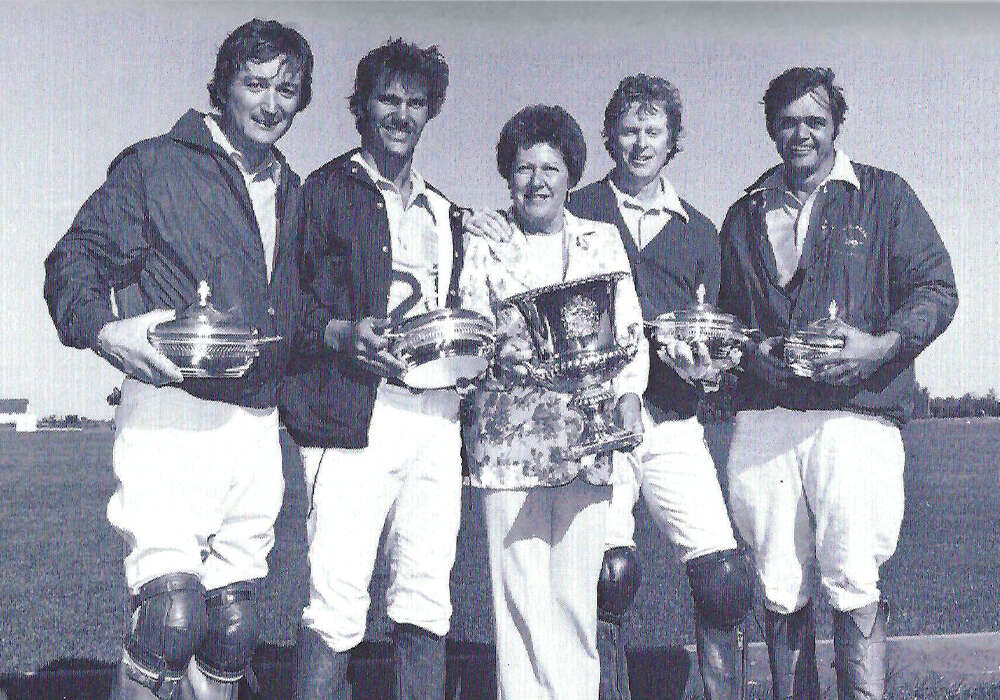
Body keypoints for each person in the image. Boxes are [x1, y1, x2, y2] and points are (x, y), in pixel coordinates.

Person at [43, 18, 313, 700]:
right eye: (255, 84)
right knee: (172, 616)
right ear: (220, 88)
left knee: (232, 626)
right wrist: (105, 330)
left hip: (254, 425)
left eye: (288, 88)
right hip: (170, 413)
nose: (271, 103)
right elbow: (74, 257)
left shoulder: (295, 189)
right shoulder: (155, 163)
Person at [467, 75, 753, 700]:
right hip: (563, 430)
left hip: (664, 417)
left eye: (653, 131)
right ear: (608, 139)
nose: (640, 143)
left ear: (672, 140)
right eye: (628, 130)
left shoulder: (698, 229)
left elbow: (699, 327)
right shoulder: (581, 205)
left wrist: (706, 368)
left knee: (723, 577)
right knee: (605, 573)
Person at [718, 66, 958, 699]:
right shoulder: (743, 213)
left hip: (858, 416)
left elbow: (936, 286)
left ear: (836, 126)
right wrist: (750, 347)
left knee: (853, 576)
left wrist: (881, 346)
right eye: (789, 121)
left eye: (815, 121)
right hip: (768, 420)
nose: (802, 133)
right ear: (772, 127)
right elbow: (730, 321)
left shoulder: (885, 195)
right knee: (777, 582)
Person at [278, 39, 468, 699]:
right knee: (336, 604)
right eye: (389, 98)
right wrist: (337, 331)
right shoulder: (322, 190)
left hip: (436, 419)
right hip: (354, 415)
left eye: (416, 103)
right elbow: (285, 307)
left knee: (426, 599)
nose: (402, 113)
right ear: (361, 106)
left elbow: (462, 316)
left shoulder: (448, 212)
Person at [458, 104, 647, 699]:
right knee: (519, 597)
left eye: (551, 167)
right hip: (509, 437)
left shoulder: (603, 240)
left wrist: (631, 399)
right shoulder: (485, 244)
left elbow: (631, 335)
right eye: (522, 168)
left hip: (588, 436)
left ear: (572, 176)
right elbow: (468, 335)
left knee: (574, 593)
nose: (536, 181)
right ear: (506, 176)